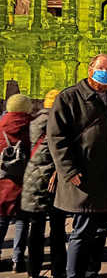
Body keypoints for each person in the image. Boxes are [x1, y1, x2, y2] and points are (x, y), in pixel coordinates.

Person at [47, 54, 107, 278]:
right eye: (100, 68)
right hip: (83, 176)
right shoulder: (69, 97)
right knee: (82, 229)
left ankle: (91, 271)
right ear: (90, 70)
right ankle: (74, 274)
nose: (104, 72)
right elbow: (56, 137)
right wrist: (68, 170)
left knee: (101, 230)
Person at [21, 89, 67, 278]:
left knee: (36, 228)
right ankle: (58, 270)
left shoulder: (31, 123)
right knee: (57, 229)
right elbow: (58, 153)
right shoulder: (59, 124)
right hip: (52, 183)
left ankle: (33, 270)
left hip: (31, 181)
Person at [0, 94, 32, 273]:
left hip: (3, 180)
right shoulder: (31, 127)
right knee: (22, 222)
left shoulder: (0, 125)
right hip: (25, 182)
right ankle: (17, 260)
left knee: (1, 220)